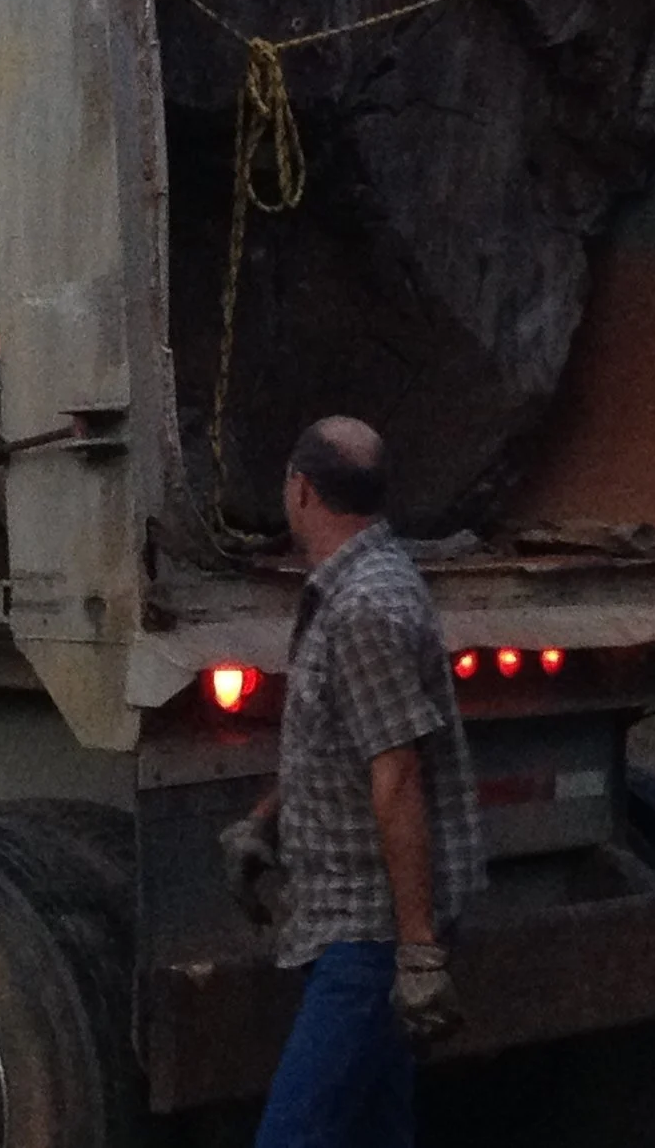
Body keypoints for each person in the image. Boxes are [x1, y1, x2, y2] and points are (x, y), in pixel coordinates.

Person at [218, 416, 485, 1148]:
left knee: (294, 1135)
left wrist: (418, 950)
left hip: (368, 932)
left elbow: (397, 772)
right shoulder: (357, 587)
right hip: (356, 921)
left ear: (301, 490)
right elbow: (340, 746)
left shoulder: (366, 606)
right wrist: (264, 821)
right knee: (374, 1128)